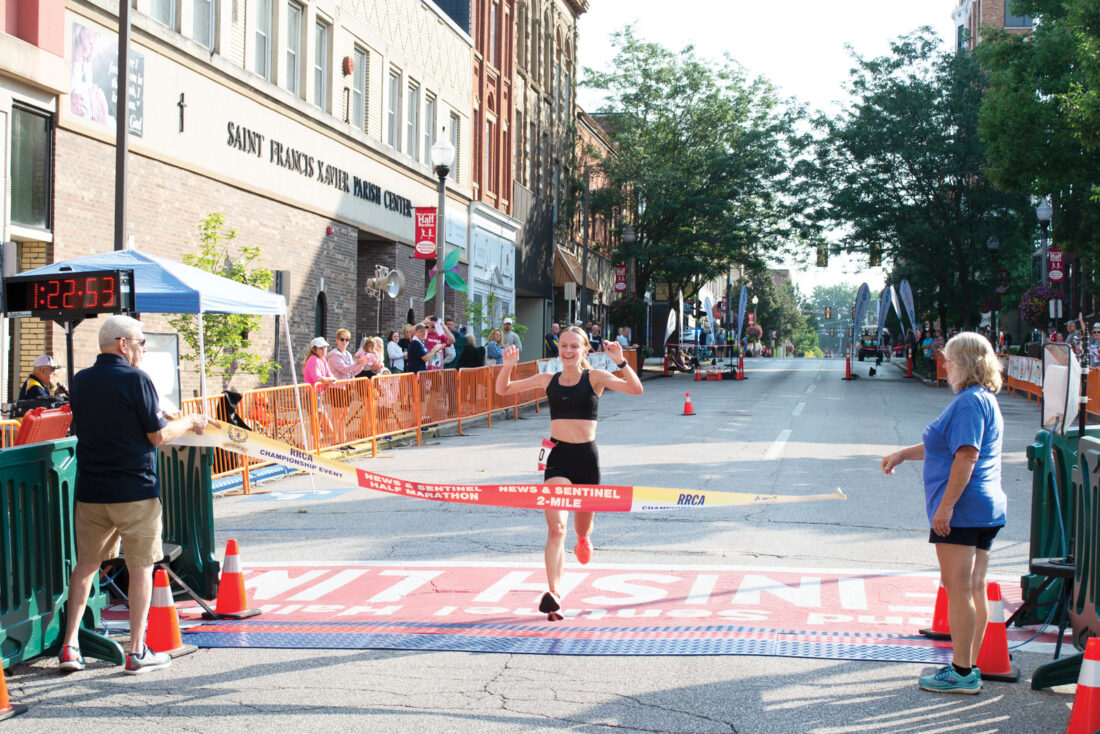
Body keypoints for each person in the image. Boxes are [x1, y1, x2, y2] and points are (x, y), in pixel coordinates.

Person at [60, 314, 211, 675]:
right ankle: (136, 651)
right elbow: (157, 436)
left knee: (86, 567)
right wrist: (190, 422)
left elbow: (108, 418)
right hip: (135, 489)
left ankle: (69, 647)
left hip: (92, 489)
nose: (143, 349)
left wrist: (160, 413)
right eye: (140, 342)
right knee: (141, 567)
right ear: (122, 344)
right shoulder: (137, 379)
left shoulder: (81, 380)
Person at [881, 332, 1005, 694]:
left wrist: (945, 506)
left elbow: (966, 456)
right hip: (986, 507)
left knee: (958, 589)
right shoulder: (983, 399)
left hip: (963, 510)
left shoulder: (967, 403)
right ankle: (970, 663)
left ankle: (962, 671)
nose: (944, 364)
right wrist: (904, 453)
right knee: (973, 587)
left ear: (965, 363)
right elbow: (946, 444)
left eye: (949, 358)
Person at [494, 326, 643, 621]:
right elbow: (504, 390)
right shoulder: (549, 379)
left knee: (580, 529)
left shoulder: (596, 378)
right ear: (558, 348)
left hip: (587, 460)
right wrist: (507, 367)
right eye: (563, 345)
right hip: (558, 459)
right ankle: (555, 595)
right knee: (556, 529)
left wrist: (621, 362)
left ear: (585, 350)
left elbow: (636, 389)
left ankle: (584, 538)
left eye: (574, 346)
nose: (568, 350)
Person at [303, 337, 338, 443]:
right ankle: (314, 440)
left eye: (325, 347)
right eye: (321, 348)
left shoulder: (322, 359)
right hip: (312, 393)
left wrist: (331, 378)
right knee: (316, 418)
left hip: (319, 393)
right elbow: (318, 378)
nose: (324, 350)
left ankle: (317, 437)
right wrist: (331, 379)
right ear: (314, 349)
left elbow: (328, 373)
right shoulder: (313, 360)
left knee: (321, 418)